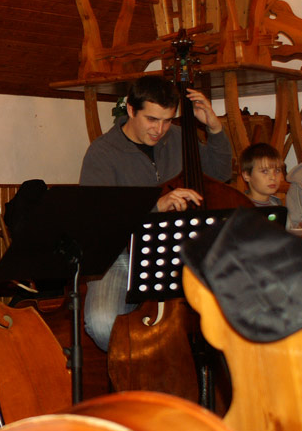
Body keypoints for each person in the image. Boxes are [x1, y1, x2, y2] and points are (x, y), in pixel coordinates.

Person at [78, 74, 232, 351]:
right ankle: (141, 364)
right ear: (130, 109)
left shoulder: (179, 138)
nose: (159, 129)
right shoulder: (102, 152)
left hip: (178, 247)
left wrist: (215, 128)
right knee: (102, 324)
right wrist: (156, 207)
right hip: (121, 253)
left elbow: (220, 174)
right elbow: (100, 219)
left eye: (167, 120)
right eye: (151, 119)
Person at [239, 142, 284, 207]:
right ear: (246, 175)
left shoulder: (278, 205)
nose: (273, 177)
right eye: (264, 171)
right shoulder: (239, 207)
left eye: (277, 171)